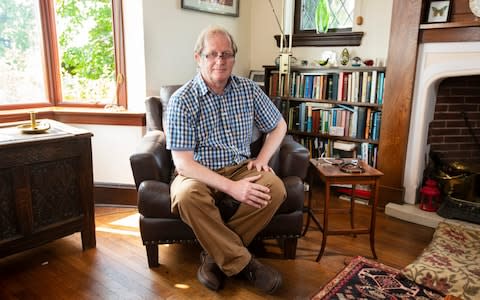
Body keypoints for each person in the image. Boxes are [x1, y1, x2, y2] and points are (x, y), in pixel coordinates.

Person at [165, 25, 288, 294]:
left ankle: (213, 257)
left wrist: (263, 157)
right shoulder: (182, 101)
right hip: (196, 172)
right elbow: (183, 164)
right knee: (186, 197)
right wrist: (232, 188)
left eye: (226, 54)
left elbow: (279, 125)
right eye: (211, 55)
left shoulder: (248, 90)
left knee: (275, 187)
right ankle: (247, 265)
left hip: (240, 167)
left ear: (234, 58)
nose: (219, 61)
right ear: (198, 58)